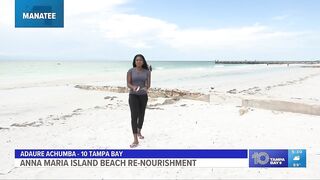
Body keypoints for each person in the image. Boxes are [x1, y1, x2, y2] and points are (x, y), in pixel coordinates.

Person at [127, 54, 151, 148]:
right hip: (133, 95)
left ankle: (139, 131)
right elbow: (128, 83)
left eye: (140, 60)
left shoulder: (147, 72)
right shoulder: (130, 71)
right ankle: (135, 139)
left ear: (143, 61)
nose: (138, 61)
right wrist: (133, 87)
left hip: (143, 96)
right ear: (134, 61)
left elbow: (148, 85)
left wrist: (145, 88)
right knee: (134, 116)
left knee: (141, 115)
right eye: (137, 60)